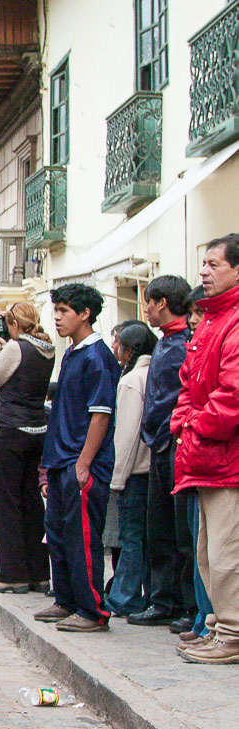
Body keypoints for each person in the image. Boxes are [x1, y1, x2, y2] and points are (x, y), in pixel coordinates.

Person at [36, 284, 120, 632]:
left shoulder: (98, 357)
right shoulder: (71, 353)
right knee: (57, 532)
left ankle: (92, 610)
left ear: (85, 314)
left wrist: (83, 463)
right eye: (55, 310)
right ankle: (66, 600)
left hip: (80, 463)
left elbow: (100, 415)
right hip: (59, 460)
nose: (57, 317)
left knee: (82, 537)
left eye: (64, 311)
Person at [173, 234, 239, 664]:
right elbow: (188, 384)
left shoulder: (232, 321)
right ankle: (218, 625)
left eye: (214, 264)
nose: (203, 272)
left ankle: (232, 632)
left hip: (225, 458)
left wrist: (192, 427)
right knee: (208, 552)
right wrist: (185, 422)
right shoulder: (215, 320)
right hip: (206, 458)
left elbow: (231, 396)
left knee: (227, 551)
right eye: (204, 264)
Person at [130, 274, 195, 629]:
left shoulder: (183, 343)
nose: (146, 309)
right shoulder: (164, 344)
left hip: (174, 444)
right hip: (160, 444)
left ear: (163, 304)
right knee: (160, 528)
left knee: (179, 530)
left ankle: (185, 604)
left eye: (149, 302)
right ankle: (163, 599)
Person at [0, 303, 55, 594]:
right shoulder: (47, 349)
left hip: (12, 431)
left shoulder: (15, 348)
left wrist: (4, 348)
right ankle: (38, 572)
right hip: (37, 429)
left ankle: (11, 573)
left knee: (7, 503)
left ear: (13, 324)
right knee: (31, 502)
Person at [105, 323, 156, 617]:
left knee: (131, 538)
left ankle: (125, 595)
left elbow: (126, 434)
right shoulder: (156, 373)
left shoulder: (131, 380)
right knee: (147, 539)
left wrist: (117, 477)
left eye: (119, 344)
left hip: (134, 472)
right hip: (153, 470)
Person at [176, 284, 214, 646]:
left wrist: (191, 424)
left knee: (216, 552)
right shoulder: (194, 348)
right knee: (200, 547)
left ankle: (213, 623)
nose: (193, 321)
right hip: (194, 458)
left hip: (212, 459)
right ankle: (205, 619)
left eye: (200, 313)